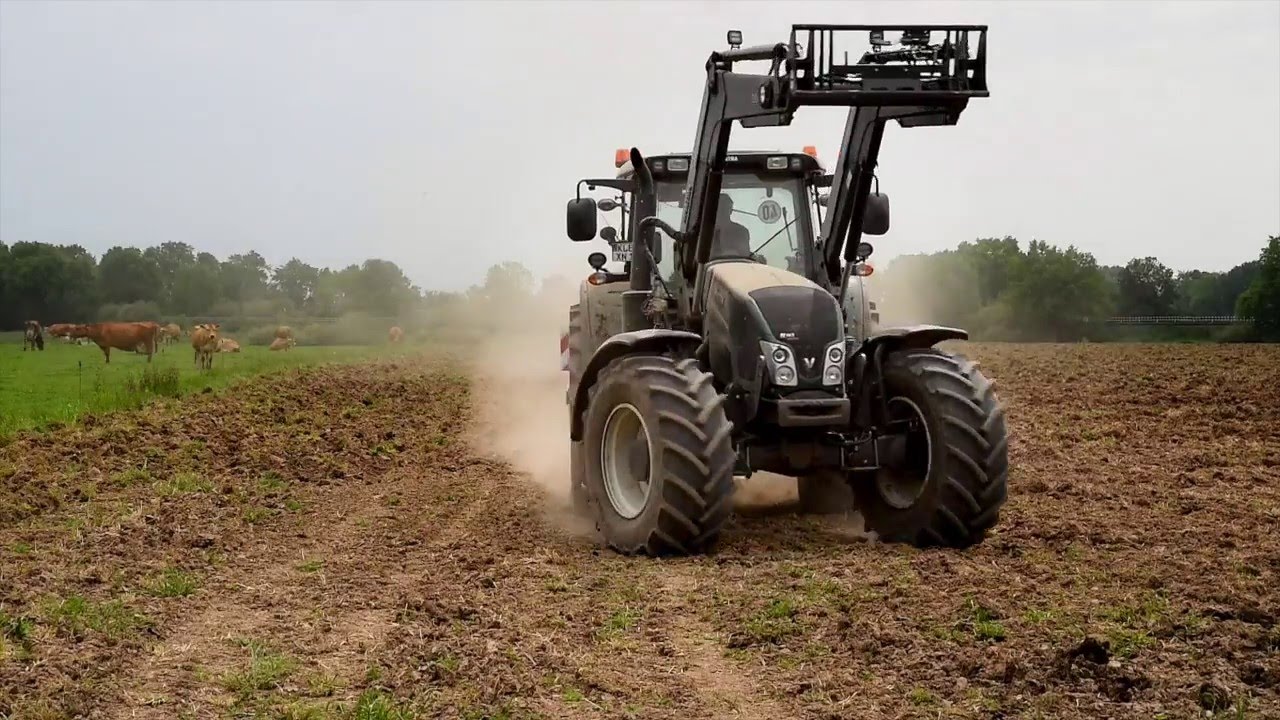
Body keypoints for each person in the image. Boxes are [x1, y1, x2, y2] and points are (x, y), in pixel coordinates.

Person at [709, 193, 753, 260]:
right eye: (720, 207)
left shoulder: (741, 232)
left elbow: (745, 256)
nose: (722, 211)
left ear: (731, 210)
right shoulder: (705, 233)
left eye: (725, 207)